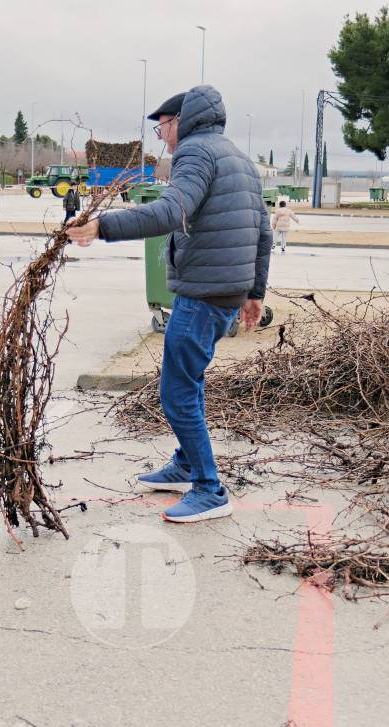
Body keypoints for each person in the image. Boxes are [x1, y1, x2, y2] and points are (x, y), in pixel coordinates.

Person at [66, 86, 271, 524]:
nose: (162, 138)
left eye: (162, 129)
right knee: (189, 382)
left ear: (181, 120)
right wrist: (255, 293)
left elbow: (169, 211)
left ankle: (209, 489)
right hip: (225, 292)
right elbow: (263, 230)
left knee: (177, 392)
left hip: (203, 294)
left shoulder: (196, 153)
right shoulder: (238, 157)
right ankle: (185, 465)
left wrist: (103, 226)